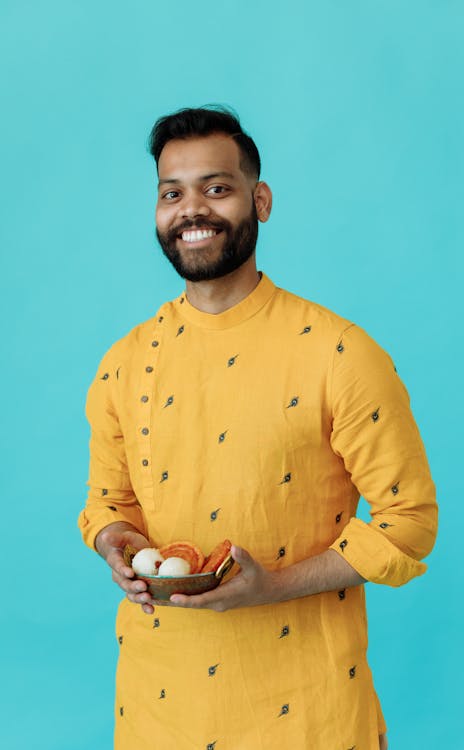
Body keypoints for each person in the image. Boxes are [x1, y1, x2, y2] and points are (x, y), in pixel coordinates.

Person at [78, 106, 437, 750]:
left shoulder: (338, 353)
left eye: (217, 188)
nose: (192, 210)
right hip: (157, 710)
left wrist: (272, 587)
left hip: (308, 715)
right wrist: (115, 543)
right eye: (172, 193)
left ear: (260, 200)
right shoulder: (125, 362)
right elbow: (107, 504)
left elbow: (408, 522)